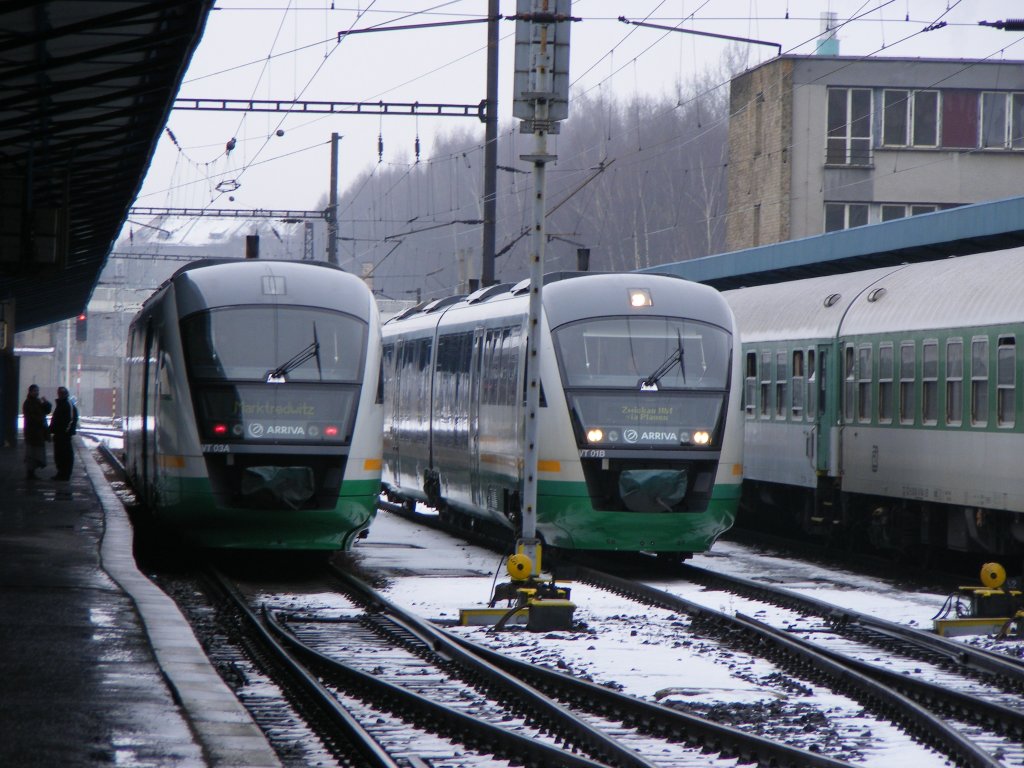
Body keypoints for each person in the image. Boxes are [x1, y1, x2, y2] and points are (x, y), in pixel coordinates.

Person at [22, 384, 52, 480]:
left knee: (36, 452)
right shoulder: (28, 403)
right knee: (32, 452)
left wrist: (46, 402)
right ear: (30, 392)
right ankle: (30, 472)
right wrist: (40, 421)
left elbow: (47, 411)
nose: (37, 392)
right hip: (32, 432)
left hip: (38, 432)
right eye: (35, 391)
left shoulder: (38, 401)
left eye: (37, 391)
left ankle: (32, 472)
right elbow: (31, 417)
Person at [49, 386, 78, 481]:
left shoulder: (67, 404)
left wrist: (66, 431)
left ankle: (65, 474)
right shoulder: (61, 404)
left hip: (64, 435)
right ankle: (61, 473)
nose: (61, 395)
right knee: (59, 455)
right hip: (59, 434)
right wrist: (52, 429)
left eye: (62, 393)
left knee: (65, 455)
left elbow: (71, 419)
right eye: (60, 393)